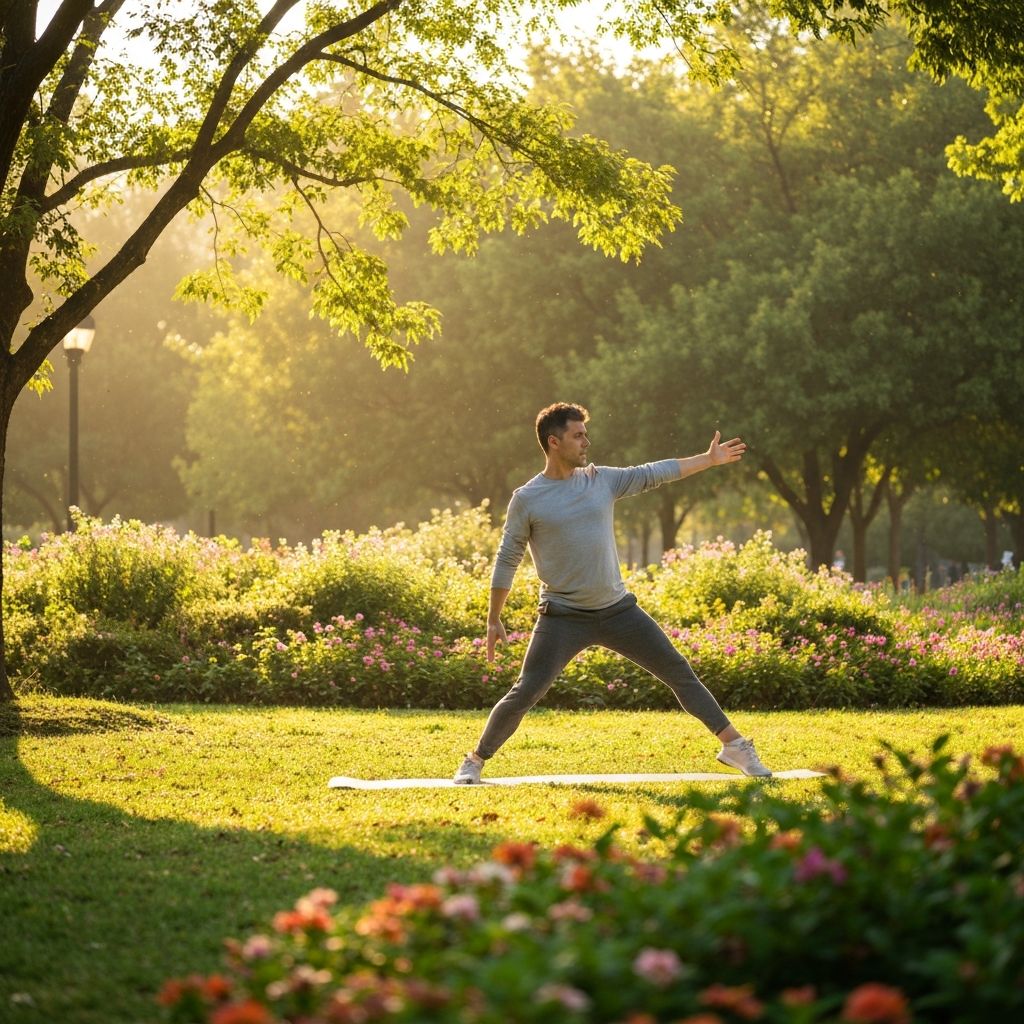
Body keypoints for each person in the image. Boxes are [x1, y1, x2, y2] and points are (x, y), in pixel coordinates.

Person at [453, 402, 772, 784]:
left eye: (586, 433)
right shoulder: (528, 498)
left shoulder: (601, 479)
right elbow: (508, 557)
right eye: (578, 435)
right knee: (526, 692)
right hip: (563, 616)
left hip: (618, 611)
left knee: (678, 672)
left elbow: (654, 473)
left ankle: (734, 745)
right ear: (554, 442)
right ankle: (475, 759)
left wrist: (707, 459)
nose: (587, 441)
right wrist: (493, 617)